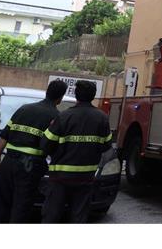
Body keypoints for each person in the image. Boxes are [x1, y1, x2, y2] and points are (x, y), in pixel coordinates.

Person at [0, 80, 67, 223]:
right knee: (21, 207)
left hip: (8, 161)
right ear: (60, 98)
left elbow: (4, 137)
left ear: (47, 91)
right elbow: (54, 147)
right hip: (30, 166)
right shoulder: (56, 117)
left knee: (1, 204)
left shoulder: (24, 109)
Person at [41, 80, 112, 223]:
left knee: (51, 216)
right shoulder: (102, 118)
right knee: (79, 217)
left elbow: (45, 143)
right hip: (86, 178)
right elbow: (106, 145)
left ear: (75, 94)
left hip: (60, 177)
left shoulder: (64, 116)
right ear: (93, 96)